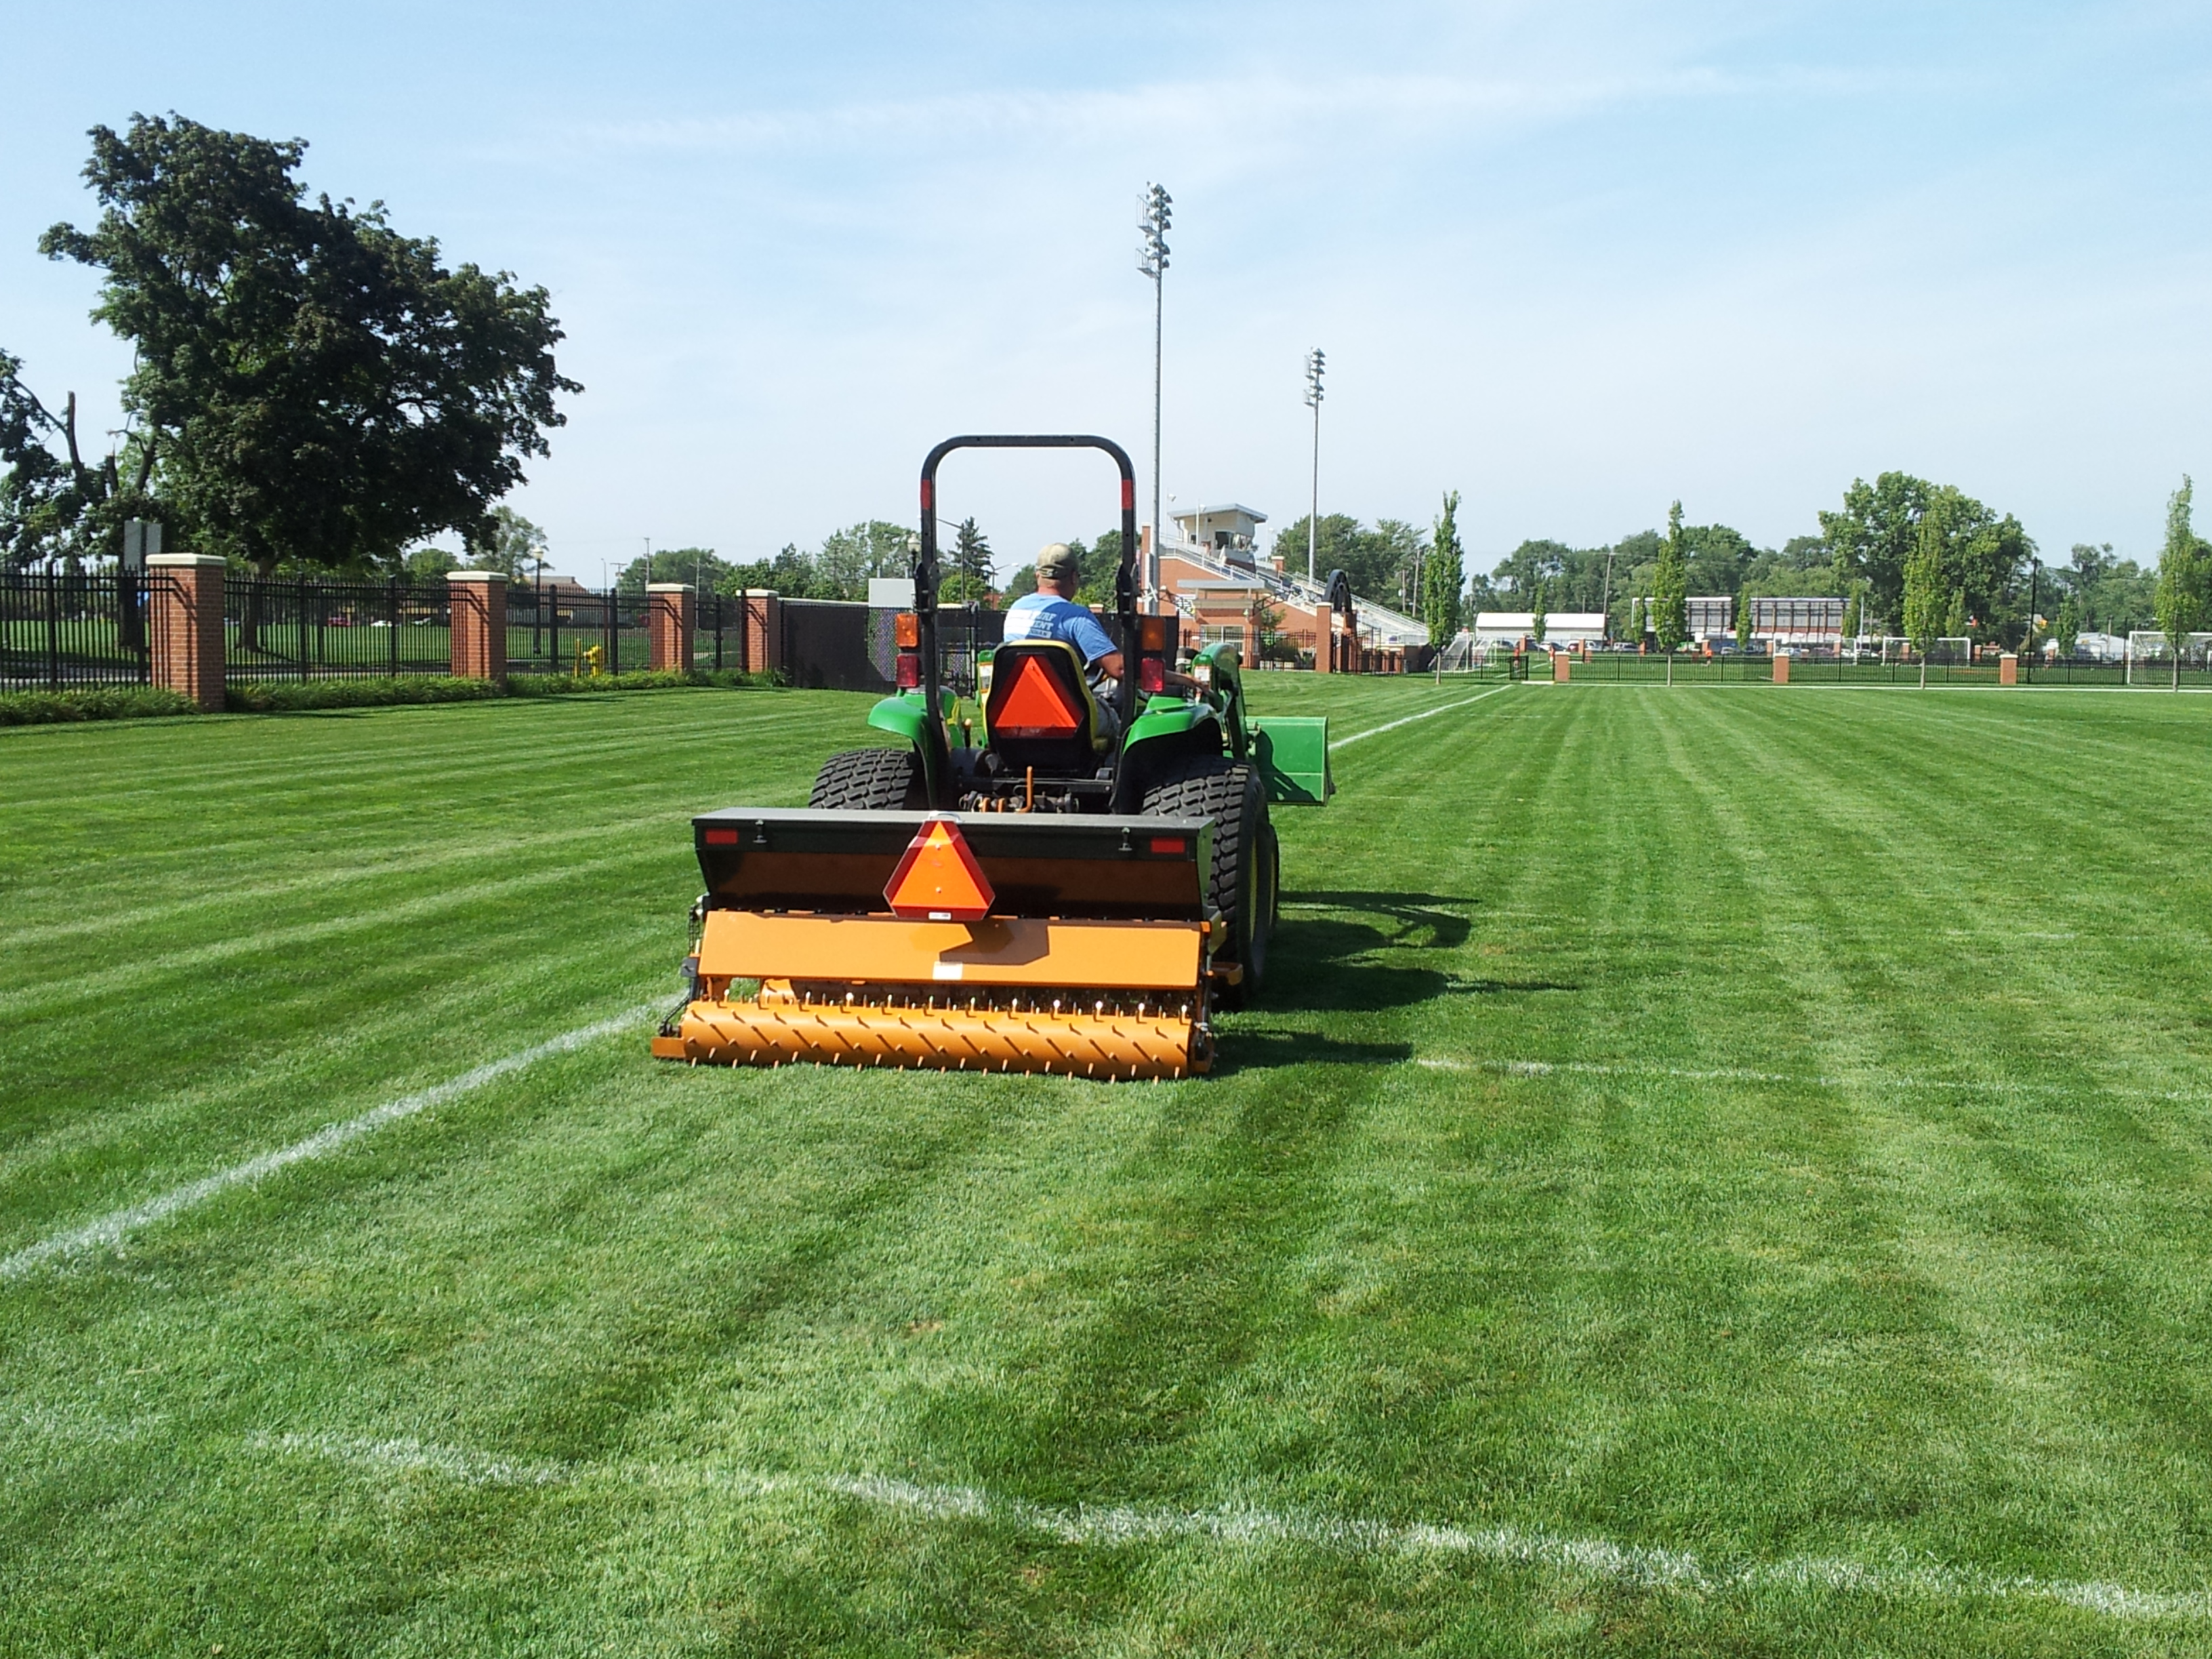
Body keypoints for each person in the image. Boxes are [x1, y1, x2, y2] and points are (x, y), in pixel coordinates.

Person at [1002, 543, 1126, 733]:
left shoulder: (1016, 609)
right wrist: (1176, 678)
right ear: (1074, 578)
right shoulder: (1076, 617)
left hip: (1016, 715)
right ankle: (1112, 764)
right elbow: (1119, 669)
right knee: (1117, 726)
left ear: (1038, 576)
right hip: (1066, 719)